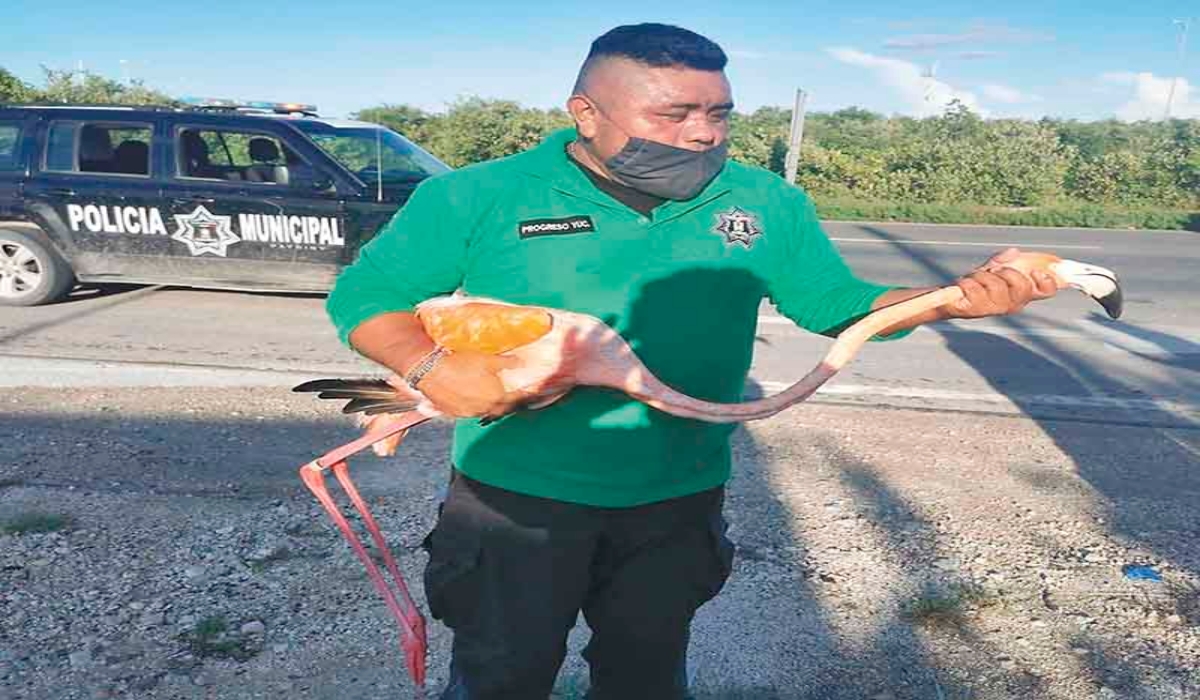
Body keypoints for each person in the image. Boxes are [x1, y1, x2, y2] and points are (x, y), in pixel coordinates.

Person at [324, 22, 1058, 700]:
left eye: (720, 114)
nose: (703, 135)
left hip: (677, 498)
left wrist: (953, 299)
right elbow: (367, 295)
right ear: (585, 113)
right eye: (672, 116)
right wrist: (429, 369)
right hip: (516, 501)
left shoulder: (764, 200)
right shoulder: (477, 194)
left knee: (646, 678)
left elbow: (834, 303)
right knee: (500, 678)